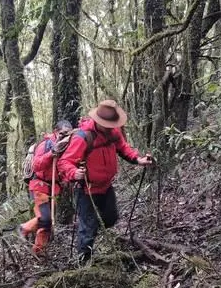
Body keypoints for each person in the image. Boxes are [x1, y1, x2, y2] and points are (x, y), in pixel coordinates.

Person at [57, 100, 153, 264]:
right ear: (98, 121)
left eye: (112, 124)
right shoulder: (83, 137)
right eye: (107, 124)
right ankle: (83, 264)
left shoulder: (113, 132)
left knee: (111, 218)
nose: (110, 127)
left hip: (106, 186)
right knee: (88, 229)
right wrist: (74, 173)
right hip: (86, 189)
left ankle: (92, 229)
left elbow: (123, 148)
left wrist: (138, 160)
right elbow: (64, 162)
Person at [19, 120, 73, 256]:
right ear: (56, 131)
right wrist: (52, 153)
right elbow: (37, 165)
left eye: (68, 134)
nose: (65, 136)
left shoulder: (69, 146)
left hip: (54, 189)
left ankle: (39, 252)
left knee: (47, 224)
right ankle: (23, 228)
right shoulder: (46, 144)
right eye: (62, 133)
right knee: (45, 219)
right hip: (39, 186)